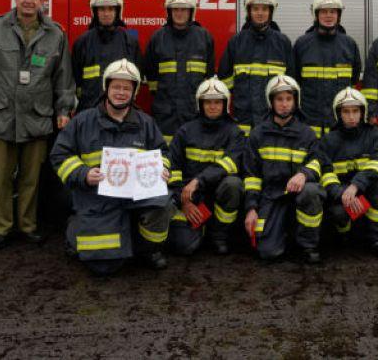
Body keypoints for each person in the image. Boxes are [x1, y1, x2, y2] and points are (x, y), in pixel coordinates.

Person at [0, 0, 74, 249]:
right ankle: (1, 229)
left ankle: (28, 226)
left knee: (31, 179)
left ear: (41, 1)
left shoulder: (55, 34)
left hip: (36, 118)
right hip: (2, 116)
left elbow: (63, 78)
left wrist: (63, 110)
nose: (28, 1)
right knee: (1, 178)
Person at [50, 60, 174, 276]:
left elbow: (163, 152)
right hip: (97, 196)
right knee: (104, 267)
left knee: (163, 203)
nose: (121, 92)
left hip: (136, 194)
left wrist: (162, 168)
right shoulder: (83, 121)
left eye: (126, 88)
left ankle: (148, 249)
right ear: (106, 88)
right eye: (116, 87)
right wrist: (84, 174)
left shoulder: (146, 123)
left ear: (134, 92)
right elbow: (59, 155)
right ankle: (75, 230)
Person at [243, 75, 326, 263]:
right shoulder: (258, 134)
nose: (284, 104)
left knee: (311, 191)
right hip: (271, 197)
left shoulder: (306, 134)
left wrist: (303, 174)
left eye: (289, 99)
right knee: (267, 252)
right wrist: (251, 208)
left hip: (297, 194)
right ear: (270, 102)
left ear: (296, 101)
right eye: (279, 99)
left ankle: (308, 246)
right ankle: (282, 235)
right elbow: (252, 177)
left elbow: (317, 162)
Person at [166, 76, 245, 255]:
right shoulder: (185, 131)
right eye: (208, 102)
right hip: (191, 199)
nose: (212, 106)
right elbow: (173, 169)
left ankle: (219, 234)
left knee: (233, 184)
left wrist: (198, 181)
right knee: (185, 247)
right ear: (200, 104)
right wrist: (183, 202)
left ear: (225, 104)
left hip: (218, 195)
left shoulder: (234, 133)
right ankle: (200, 231)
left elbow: (229, 164)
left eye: (217, 102)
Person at [320, 87, 378, 257]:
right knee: (338, 213)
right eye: (346, 112)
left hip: (367, 189)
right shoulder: (328, 140)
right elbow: (325, 173)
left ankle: (376, 238)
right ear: (338, 114)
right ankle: (344, 235)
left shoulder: (374, 135)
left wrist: (355, 186)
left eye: (355, 111)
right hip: (343, 195)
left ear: (362, 112)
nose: (351, 116)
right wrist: (342, 193)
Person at [144, 0, 215, 146]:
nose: (179, 13)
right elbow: (151, 76)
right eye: (175, 9)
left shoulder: (204, 37)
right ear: (169, 12)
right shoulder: (158, 38)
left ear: (191, 11)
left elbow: (209, 77)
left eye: (184, 9)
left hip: (195, 111)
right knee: (165, 150)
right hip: (165, 113)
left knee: (194, 150)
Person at [218, 0, 294, 135]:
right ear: (249, 12)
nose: (260, 13)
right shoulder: (237, 42)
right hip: (243, 119)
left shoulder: (282, 42)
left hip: (273, 119)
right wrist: (240, 99)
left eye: (264, 9)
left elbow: (291, 82)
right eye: (256, 9)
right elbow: (224, 81)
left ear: (271, 12)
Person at [293, 0, 362, 137]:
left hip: (339, 122)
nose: (328, 16)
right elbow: (295, 80)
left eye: (333, 12)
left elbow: (354, 79)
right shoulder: (302, 44)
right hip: (309, 121)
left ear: (339, 15)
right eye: (324, 12)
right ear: (316, 15)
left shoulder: (349, 44)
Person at [72, 0, 142, 111]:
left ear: (117, 11)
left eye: (111, 9)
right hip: (89, 110)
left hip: (121, 111)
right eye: (102, 9)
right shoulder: (82, 42)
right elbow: (74, 79)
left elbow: (137, 76)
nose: (106, 13)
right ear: (95, 12)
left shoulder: (130, 42)